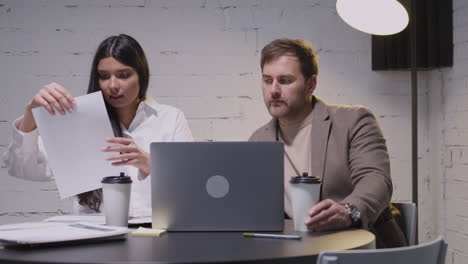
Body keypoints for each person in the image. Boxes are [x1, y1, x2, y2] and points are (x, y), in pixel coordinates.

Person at [2, 34, 193, 217]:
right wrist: (31, 112)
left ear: (141, 76)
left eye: (123, 75)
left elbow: (193, 183)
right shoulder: (78, 122)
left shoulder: (170, 119)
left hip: (153, 233)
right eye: (104, 76)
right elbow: (22, 168)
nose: (113, 85)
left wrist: (151, 163)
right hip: (93, 237)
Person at [249, 38, 406, 247]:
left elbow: (376, 180)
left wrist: (348, 211)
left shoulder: (354, 120)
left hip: (358, 249)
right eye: (267, 80)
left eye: (285, 80)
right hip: (291, 252)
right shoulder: (258, 140)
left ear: (310, 84)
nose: (274, 90)